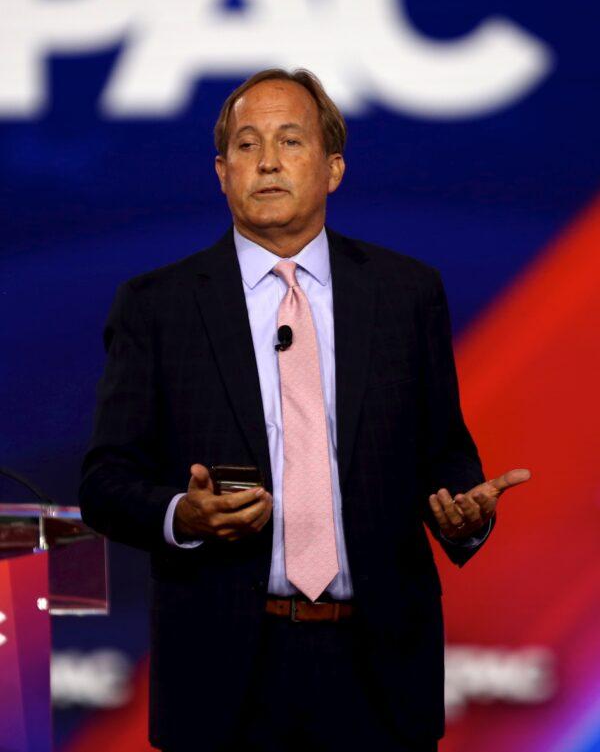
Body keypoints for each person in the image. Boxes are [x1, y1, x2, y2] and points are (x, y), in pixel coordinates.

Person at [79, 68, 530, 752]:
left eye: (290, 140)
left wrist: (464, 513)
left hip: (377, 667)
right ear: (221, 172)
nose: (266, 161)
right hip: (224, 670)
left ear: (334, 168)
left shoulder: (406, 294)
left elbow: (444, 451)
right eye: (245, 144)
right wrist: (183, 515)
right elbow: (105, 482)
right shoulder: (157, 306)